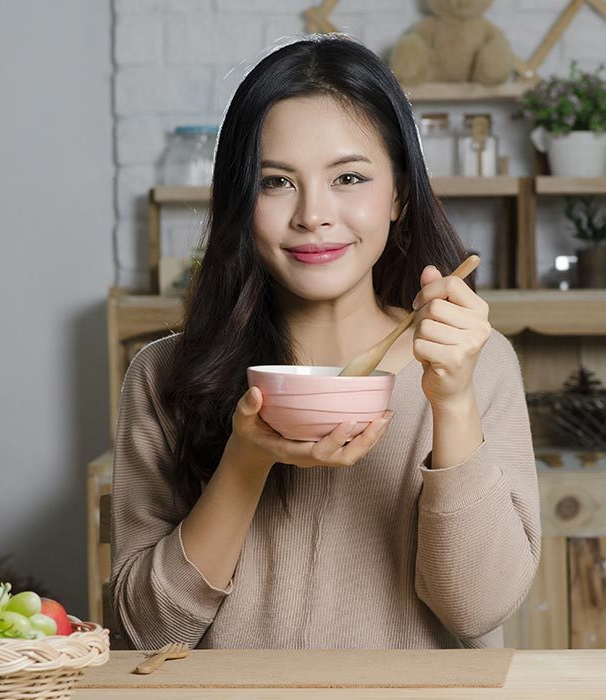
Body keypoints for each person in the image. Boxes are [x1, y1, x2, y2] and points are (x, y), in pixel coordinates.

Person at [110, 34, 539, 651]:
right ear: (240, 200)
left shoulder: (476, 362)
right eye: (276, 182)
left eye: (349, 177)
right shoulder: (164, 374)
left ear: (399, 194)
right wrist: (246, 459)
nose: (313, 214)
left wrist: (453, 401)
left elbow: (477, 610)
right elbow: (142, 635)